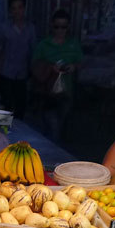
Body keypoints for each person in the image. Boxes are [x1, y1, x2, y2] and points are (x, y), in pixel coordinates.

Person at [31, 10, 82, 143]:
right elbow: (34, 65)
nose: (60, 30)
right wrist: (49, 67)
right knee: (52, 126)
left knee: (60, 127)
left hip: (66, 93)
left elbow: (81, 62)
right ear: (52, 26)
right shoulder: (44, 44)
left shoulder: (73, 43)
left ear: (68, 27)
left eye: (63, 27)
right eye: (57, 26)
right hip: (47, 93)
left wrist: (73, 66)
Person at [0, 0, 36, 119]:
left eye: (20, 7)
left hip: (23, 74)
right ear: (10, 10)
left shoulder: (31, 28)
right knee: (6, 107)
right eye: (14, 8)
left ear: (24, 8)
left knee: (20, 108)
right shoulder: (3, 27)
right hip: (6, 73)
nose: (17, 11)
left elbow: (33, 53)